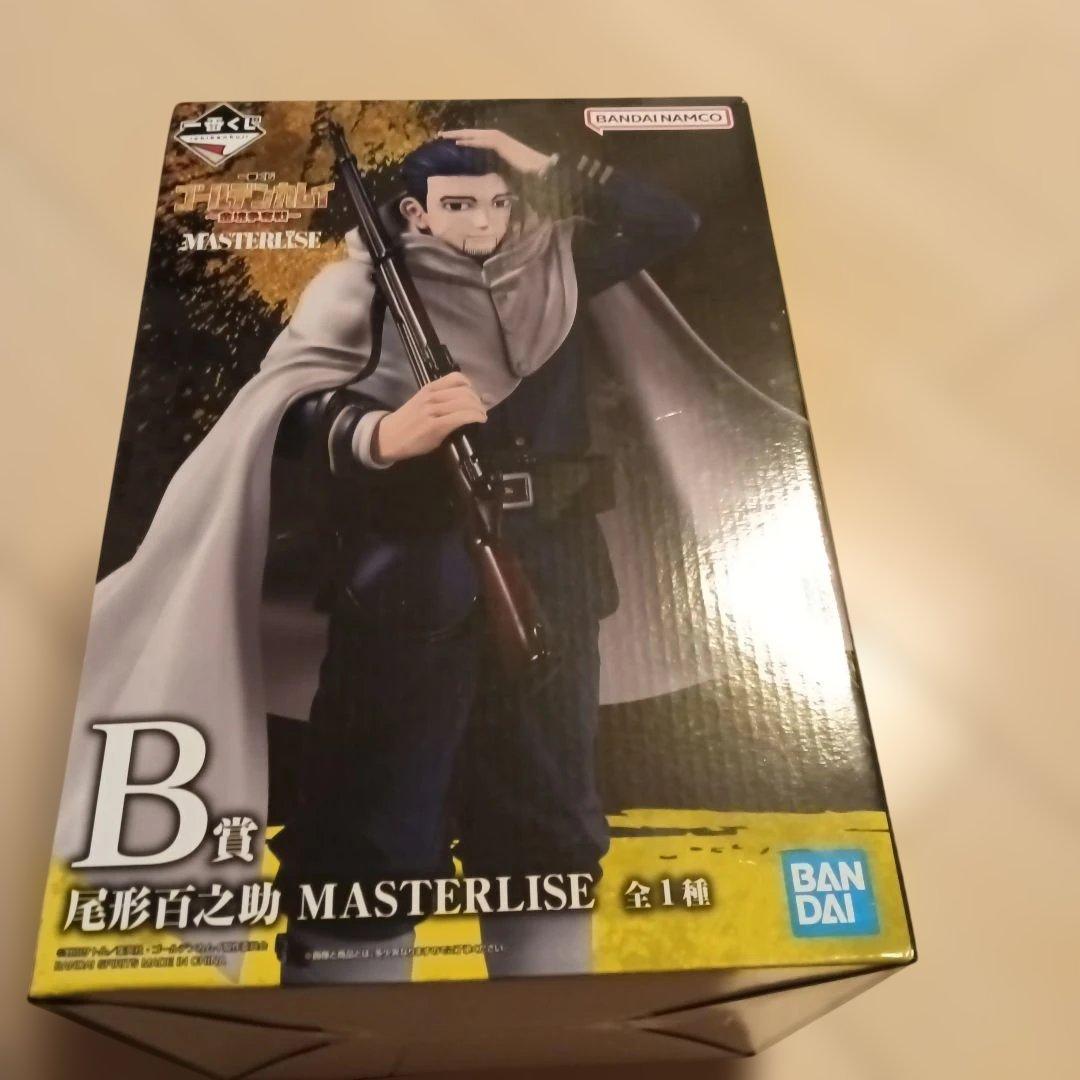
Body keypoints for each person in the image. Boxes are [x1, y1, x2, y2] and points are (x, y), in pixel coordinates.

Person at [266, 128, 700, 982]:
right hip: (411, 577)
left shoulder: (556, 266)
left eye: (498, 203)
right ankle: (348, 998)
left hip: (550, 570)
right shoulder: (361, 286)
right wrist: (380, 434)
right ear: (415, 213)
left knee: (546, 812)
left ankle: (547, 1004)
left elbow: (669, 221)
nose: (483, 223)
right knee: (373, 813)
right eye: (459, 205)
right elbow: (288, 406)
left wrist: (541, 163)